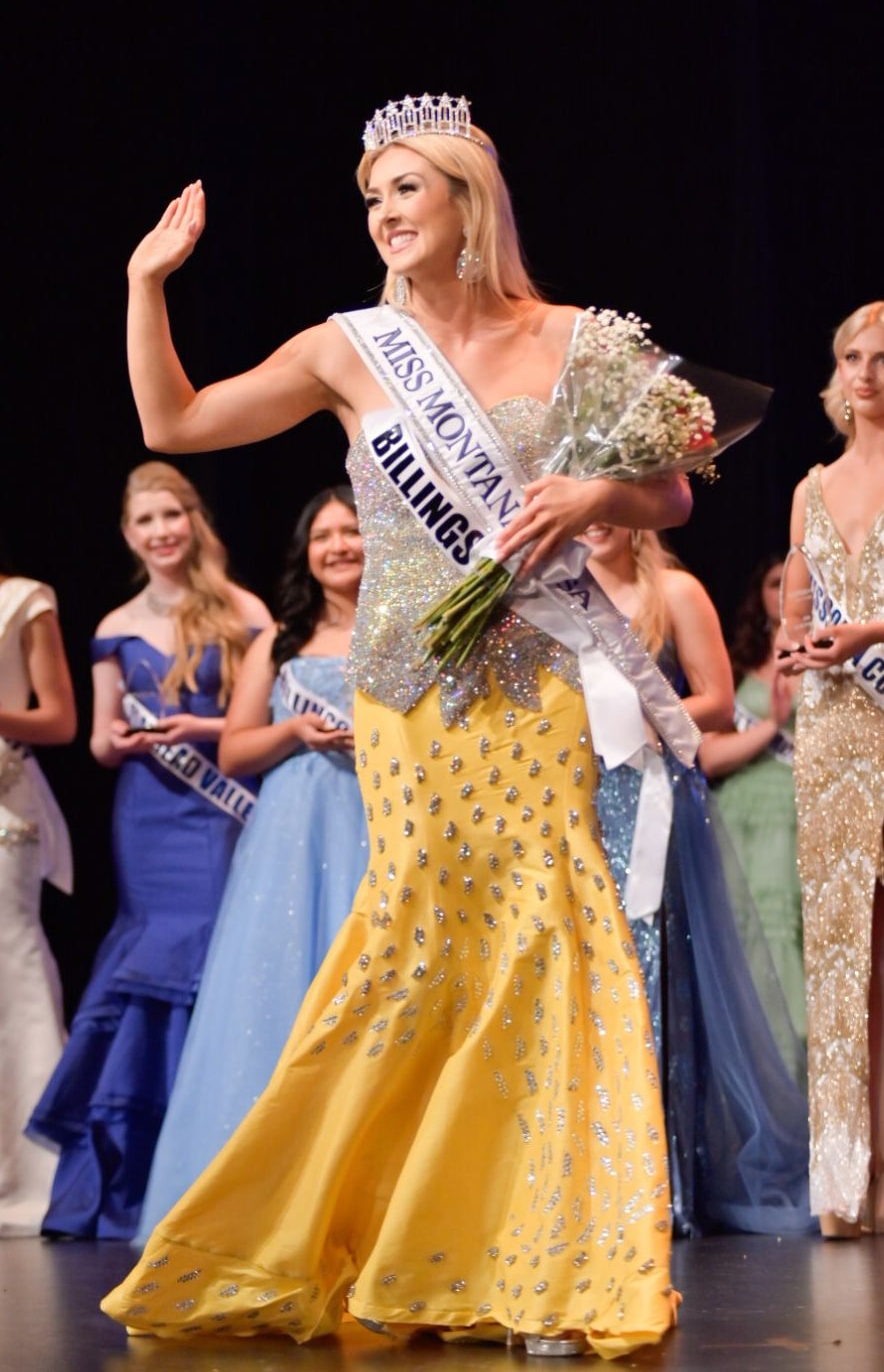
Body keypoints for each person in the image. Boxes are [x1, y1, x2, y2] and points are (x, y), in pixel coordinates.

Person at [102, 94, 696, 1357]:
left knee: (549, 935)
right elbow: (176, 425)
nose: (384, 214)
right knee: (419, 951)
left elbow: (671, 483)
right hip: (409, 696)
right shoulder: (347, 348)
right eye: (372, 197)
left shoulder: (577, 336)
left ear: (468, 201)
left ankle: (551, 1256)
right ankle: (365, 1235)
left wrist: (591, 488)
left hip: (533, 683)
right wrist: (147, 284)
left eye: (405, 190)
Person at [28, 461, 271, 1239]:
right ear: (129, 537)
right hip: (147, 815)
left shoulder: (245, 611)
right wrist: (126, 737)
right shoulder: (113, 626)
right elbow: (98, 743)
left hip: (219, 811)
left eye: (172, 515)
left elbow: (257, 724)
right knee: (150, 964)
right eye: (145, 522)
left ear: (193, 520)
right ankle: (133, 1174)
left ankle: (217, 1159)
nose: (161, 532)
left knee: (211, 960)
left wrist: (200, 729)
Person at [137, 485, 368, 1239]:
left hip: (381, 827)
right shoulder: (282, 640)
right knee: (280, 999)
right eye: (323, 534)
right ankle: (261, 1199)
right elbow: (235, 750)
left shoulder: (406, 630)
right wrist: (296, 731)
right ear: (306, 552)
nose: (338, 545)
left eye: (352, 531)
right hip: (295, 837)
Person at [586, 527, 810, 1235]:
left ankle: (660, 1179)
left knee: (652, 968)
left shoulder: (675, 592)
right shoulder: (556, 591)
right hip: (577, 798)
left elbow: (715, 699)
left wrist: (640, 724)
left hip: (651, 794)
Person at [780, 299, 884, 1238]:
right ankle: (848, 1184)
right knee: (842, 950)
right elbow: (795, 606)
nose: (865, 374)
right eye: (852, 357)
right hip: (829, 727)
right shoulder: (810, 487)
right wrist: (798, 641)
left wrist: (873, 633)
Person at [699, 556, 805, 1058]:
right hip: (733, 813)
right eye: (773, 582)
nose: (784, 589)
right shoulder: (736, 661)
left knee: (782, 941)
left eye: (793, 580)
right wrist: (770, 727)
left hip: (791, 819)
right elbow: (708, 756)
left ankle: (790, 1070)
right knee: (738, 938)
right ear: (758, 595)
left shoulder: (824, 654)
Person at [0, 565, 76, 1236]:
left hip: (5, 812)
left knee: (14, 975)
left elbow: (58, 718)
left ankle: (36, 1179)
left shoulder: (22, 600)